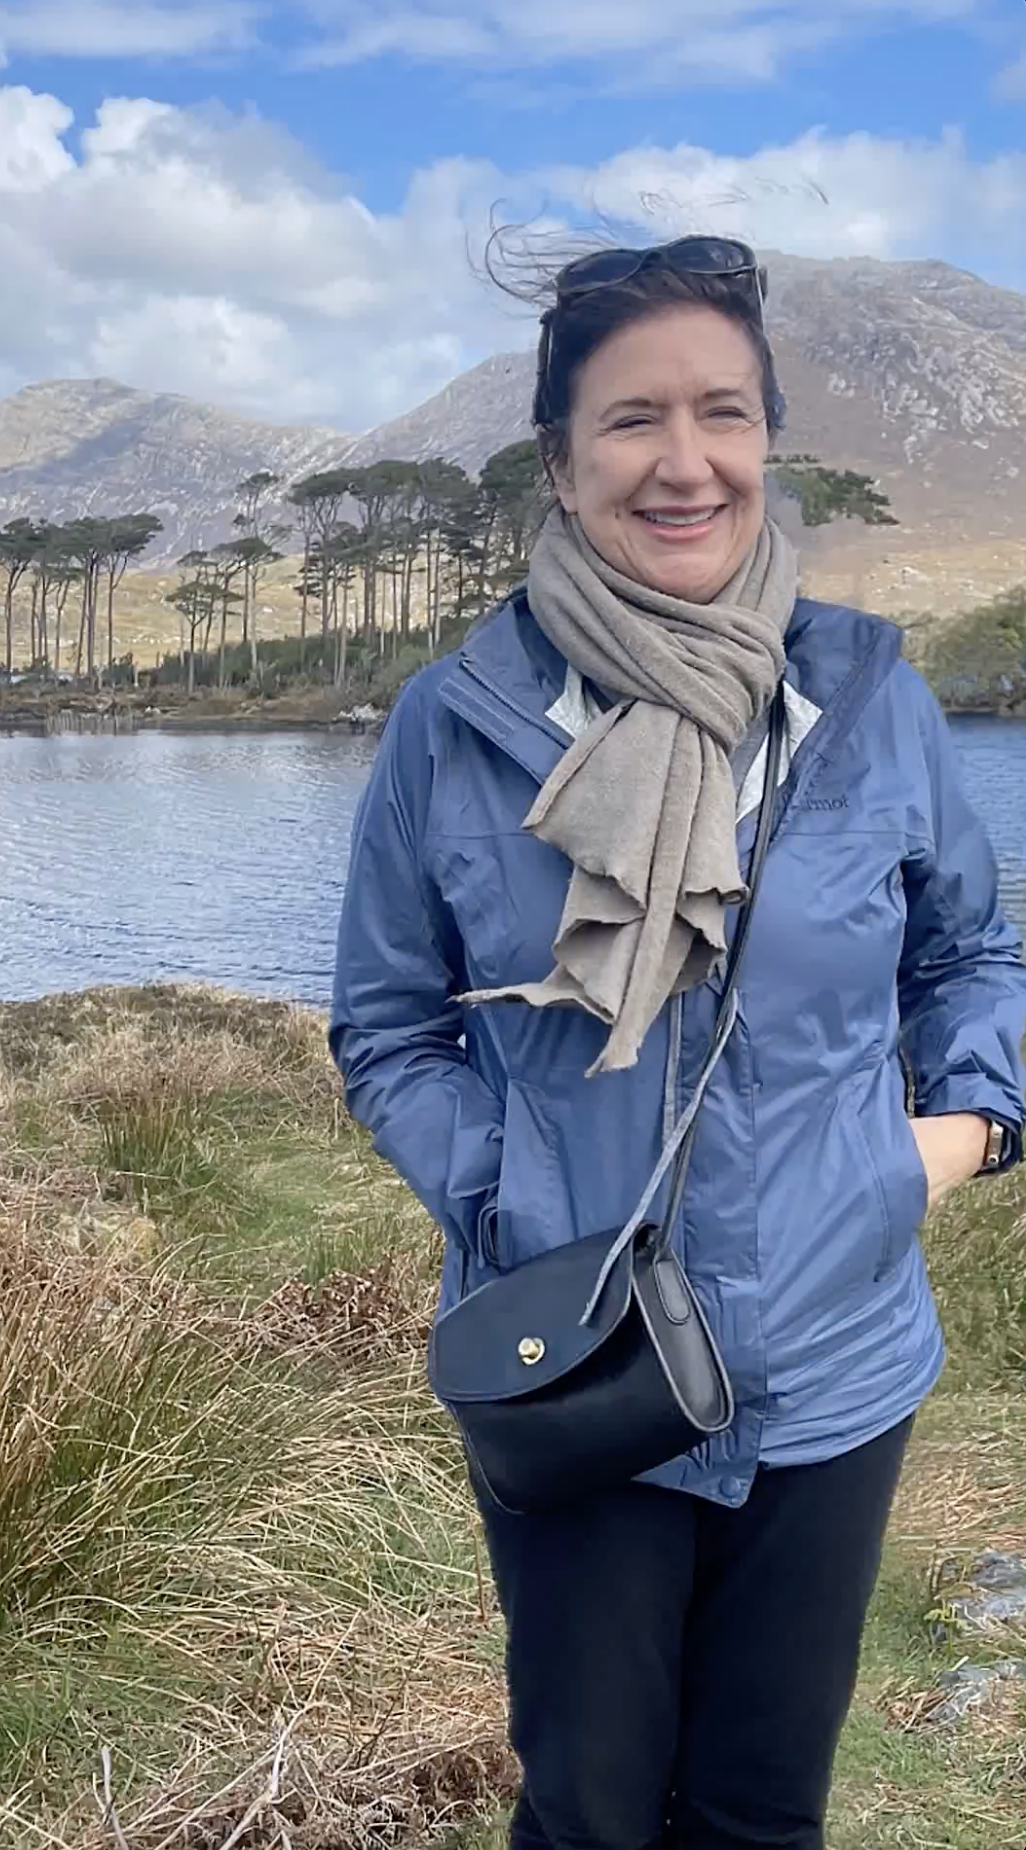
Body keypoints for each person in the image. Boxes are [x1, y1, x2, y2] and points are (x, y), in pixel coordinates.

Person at [330, 236, 1026, 1850]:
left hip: (834, 1363)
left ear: (766, 437)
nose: (682, 458)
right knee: (585, 1806)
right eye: (630, 419)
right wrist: (503, 1192)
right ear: (564, 464)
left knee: (759, 1808)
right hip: (571, 1357)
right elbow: (386, 1023)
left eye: (721, 410)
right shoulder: (457, 718)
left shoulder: (868, 697)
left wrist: (954, 1131)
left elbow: (972, 951)